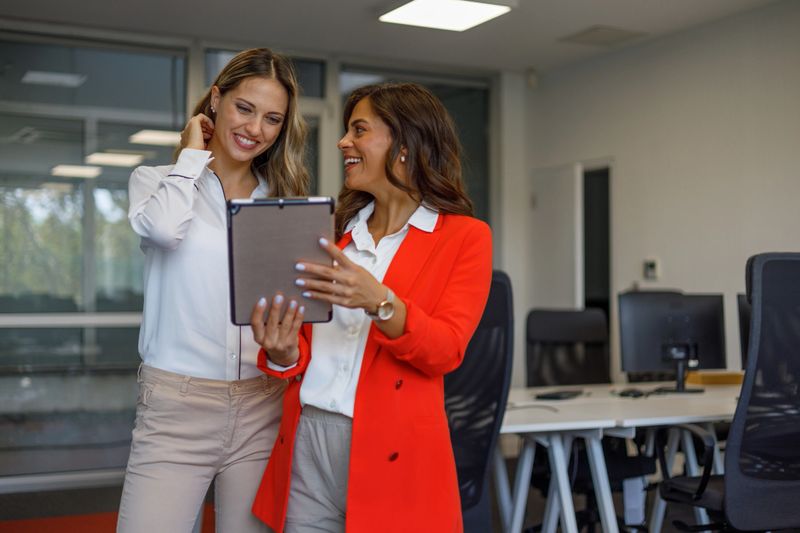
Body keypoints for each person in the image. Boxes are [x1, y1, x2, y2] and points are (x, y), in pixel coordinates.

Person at [249, 82, 493, 533]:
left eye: (359, 130)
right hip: (307, 440)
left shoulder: (464, 238)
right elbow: (302, 347)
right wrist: (284, 351)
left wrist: (381, 302)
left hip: (390, 450)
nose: (344, 142)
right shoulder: (332, 233)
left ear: (403, 144)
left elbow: (445, 350)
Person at [117, 48, 309, 533]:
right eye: (244, 108)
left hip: (263, 401)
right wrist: (190, 157)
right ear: (216, 100)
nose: (255, 129)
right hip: (176, 406)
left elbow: (294, 307)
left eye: (272, 119)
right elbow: (162, 231)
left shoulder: (284, 202)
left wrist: (287, 356)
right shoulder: (158, 182)